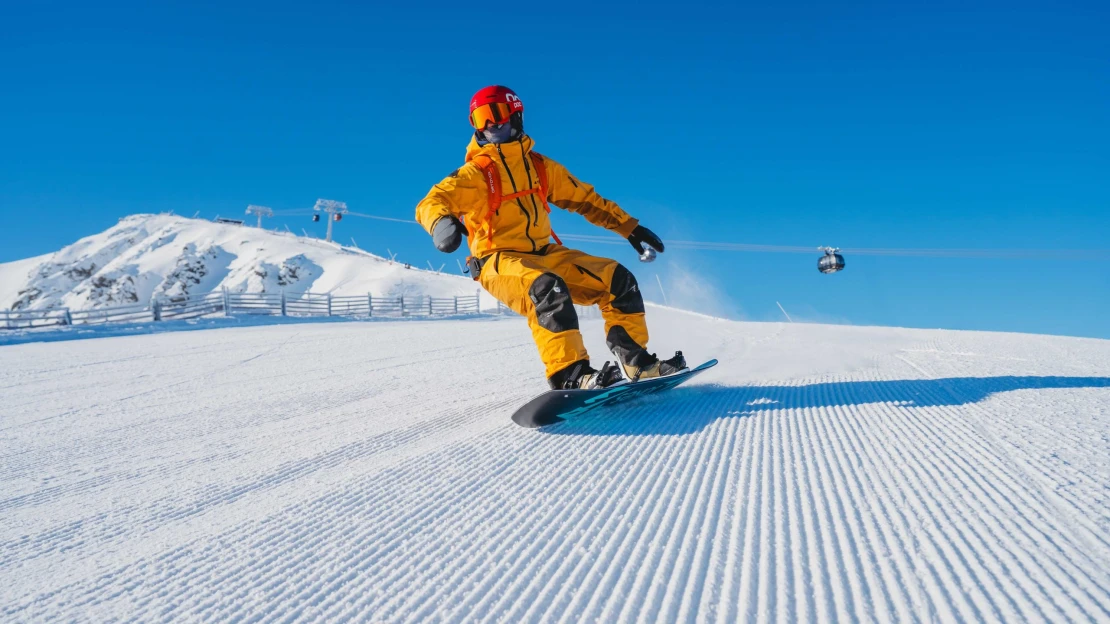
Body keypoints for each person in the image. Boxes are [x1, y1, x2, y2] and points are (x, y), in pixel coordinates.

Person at [416, 85, 684, 390]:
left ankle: (638, 364)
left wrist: (629, 228)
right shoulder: (477, 173)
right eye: (480, 118)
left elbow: (586, 199)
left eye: (497, 114)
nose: (491, 124)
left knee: (618, 281)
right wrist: (441, 223)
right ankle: (571, 374)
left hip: (545, 253)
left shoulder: (540, 168)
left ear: (516, 115)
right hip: (499, 260)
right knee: (547, 288)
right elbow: (432, 201)